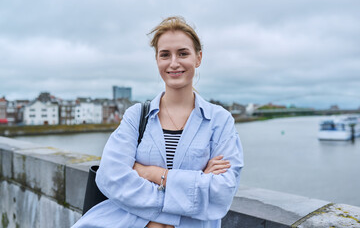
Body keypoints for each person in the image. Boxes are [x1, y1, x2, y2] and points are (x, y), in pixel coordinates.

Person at [72, 16, 244, 228]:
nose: (174, 63)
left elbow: (222, 191)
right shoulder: (137, 116)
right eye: (165, 55)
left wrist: (153, 174)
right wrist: (194, 186)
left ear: (198, 58)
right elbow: (110, 176)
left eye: (183, 53)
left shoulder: (220, 120)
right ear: (157, 60)